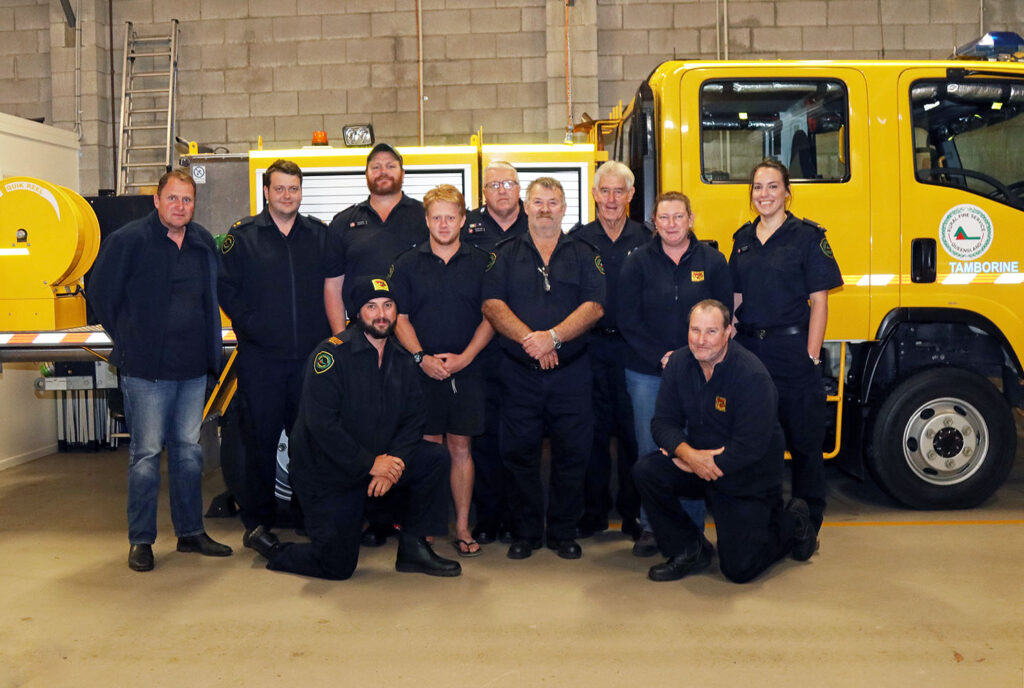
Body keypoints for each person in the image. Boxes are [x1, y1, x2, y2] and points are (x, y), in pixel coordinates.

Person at [249, 277, 461, 580]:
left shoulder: (401, 359)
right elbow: (321, 425)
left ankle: (414, 550)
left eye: (388, 306)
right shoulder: (331, 356)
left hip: (377, 465)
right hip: (329, 474)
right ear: (357, 313)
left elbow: (414, 419)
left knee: (434, 459)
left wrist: (395, 463)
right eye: (371, 306)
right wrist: (372, 464)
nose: (381, 314)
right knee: (337, 566)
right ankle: (273, 548)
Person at [88, 169, 232, 571]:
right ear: (157, 200)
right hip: (145, 372)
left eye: (187, 200)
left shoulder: (203, 242)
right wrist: (129, 336)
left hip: (192, 372)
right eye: (173, 199)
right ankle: (141, 540)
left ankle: (190, 533)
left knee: (189, 454)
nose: (180, 207)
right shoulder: (129, 241)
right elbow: (100, 291)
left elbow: (213, 296)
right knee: (146, 456)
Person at [632, 299, 817, 584]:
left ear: (729, 331)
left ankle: (793, 522)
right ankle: (689, 549)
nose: (701, 340)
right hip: (700, 463)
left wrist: (700, 463)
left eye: (711, 331)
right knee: (647, 471)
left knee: (740, 569)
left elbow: (750, 447)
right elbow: (662, 423)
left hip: (747, 474)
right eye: (695, 330)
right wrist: (689, 456)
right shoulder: (679, 363)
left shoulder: (751, 376)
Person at [218, 159, 345, 552]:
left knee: (309, 441)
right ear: (267, 192)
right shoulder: (242, 238)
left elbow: (332, 291)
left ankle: (309, 516)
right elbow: (226, 290)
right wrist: (253, 327)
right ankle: (258, 523)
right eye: (280, 188)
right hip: (261, 361)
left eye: (294, 188)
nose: (287, 195)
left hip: (310, 360)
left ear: (300, 192)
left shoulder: (319, 236)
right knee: (260, 443)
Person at [482, 177, 605, 560]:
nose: (545, 208)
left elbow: (595, 306)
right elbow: (492, 305)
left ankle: (564, 532)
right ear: (526, 205)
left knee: (573, 454)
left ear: (565, 208)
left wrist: (552, 338)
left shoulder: (585, 252)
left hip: (572, 373)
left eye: (553, 202)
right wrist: (531, 342)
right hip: (519, 374)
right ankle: (526, 532)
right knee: (519, 454)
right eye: (538, 202)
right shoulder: (503, 252)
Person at [729, 159, 843, 535]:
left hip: (793, 351)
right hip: (749, 353)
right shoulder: (742, 239)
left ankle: (808, 523)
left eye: (772, 186)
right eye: (758, 187)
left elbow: (820, 302)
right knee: (759, 441)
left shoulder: (807, 237)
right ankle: (767, 517)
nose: (764, 194)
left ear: (787, 192)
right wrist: (728, 332)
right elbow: (737, 295)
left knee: (804, 442)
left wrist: (811, 355)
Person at [618, 191, 733, 556]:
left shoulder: (713, 261)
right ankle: (652, 527)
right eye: (663, 218)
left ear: (691, 219)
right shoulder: (637, 262)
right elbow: (627, 318)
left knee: (694, 447)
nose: (670, 224)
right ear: (654, 222)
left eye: (677, 217)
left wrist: (690, 358)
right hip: (647, 372)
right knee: (652, 449)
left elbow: (723, 315)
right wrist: (661, 356)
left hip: (700, 372)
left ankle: (693, 529)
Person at [391, 184, 493, 557]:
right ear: (427, 221)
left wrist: (465, 357)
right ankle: (429, 525)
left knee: (461, 447)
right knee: (429, 449)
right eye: (437, 217)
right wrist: (422, 358)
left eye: (451, 217)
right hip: (422, 371)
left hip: (468, 370)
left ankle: (462, 526)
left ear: (463, 220)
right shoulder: (406, 263)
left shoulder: (482, 262)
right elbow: (399, 319)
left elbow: (491, 317)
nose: (444, 223)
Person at [568, 161, 649, 540]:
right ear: (595, 195)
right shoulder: (578, 240)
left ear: (631, 196)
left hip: (635, 351)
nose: (612, 199)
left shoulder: (648, 239)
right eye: (606, 191)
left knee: (635, 435)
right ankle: (593, 511)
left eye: (620, 191)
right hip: (589, 349)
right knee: (593, 434)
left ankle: (633, 513)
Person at [462, 160, 529, 544]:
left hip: (524, 350)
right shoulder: (467, 227)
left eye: (508, 183)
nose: (501, 190)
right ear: (482, 192)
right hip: (482, 349)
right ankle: (488, 518)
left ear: (519, 188)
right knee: (484, 439)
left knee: (521, 439)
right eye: (493, 185)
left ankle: (521, 519)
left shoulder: (537, 224)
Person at [326, 142, 429, 324]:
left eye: (390, 166)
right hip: (361, 334)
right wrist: (341, 339)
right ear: (366, 175)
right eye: (376, 167)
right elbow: (333, 286)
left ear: (402, 174)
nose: (383, 172)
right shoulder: (342, 222)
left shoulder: (426, 217)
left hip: (416, 331)